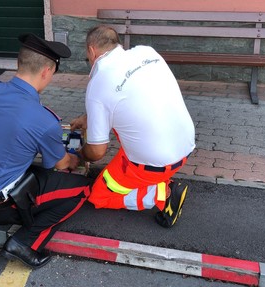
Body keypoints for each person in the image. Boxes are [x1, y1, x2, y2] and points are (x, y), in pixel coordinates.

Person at [0, 33, 91, 268]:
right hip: (0, 208)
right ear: (46, 72)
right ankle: (24, 244)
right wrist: (77, 157)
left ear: (19, 64)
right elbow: (60, 165)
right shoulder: (43, 120)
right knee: (81, 190)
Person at [70, 25, 196, 228]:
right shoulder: (147, 52)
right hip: (185, 146)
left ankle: (163, 193)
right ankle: (154, 181)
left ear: (92, 50)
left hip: (154, 164)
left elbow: (97, 151)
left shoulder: (98, 82)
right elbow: (131, 96)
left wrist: (77, 156)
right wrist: (89, 117)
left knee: (99, 195)